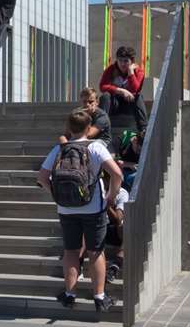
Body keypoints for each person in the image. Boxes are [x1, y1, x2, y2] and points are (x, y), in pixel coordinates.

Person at [37, 108, 124, 312]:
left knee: (71, 251)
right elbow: (117, 173)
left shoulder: (60, 149)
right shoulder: (96, 147)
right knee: (95, 251)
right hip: (93, 208)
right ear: (89, 128)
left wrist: (57, 195)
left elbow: (41, 178)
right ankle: (100, 297)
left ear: (68, 128)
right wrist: (110, 196)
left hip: (66, 209)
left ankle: (69, 294)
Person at [100, 46, 148, 133]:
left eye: (126, 61)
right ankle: (101, 127)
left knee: (138, 96)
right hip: (114, 105)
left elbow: (135, 90)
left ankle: (143, 129)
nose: (122, 64)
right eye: (120, 60)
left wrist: (131, 73)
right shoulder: (111, 70)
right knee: (105, 96)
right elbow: (102, 86)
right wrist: (121, 90)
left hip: (129, 105)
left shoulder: (138, 72)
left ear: (132, 61)